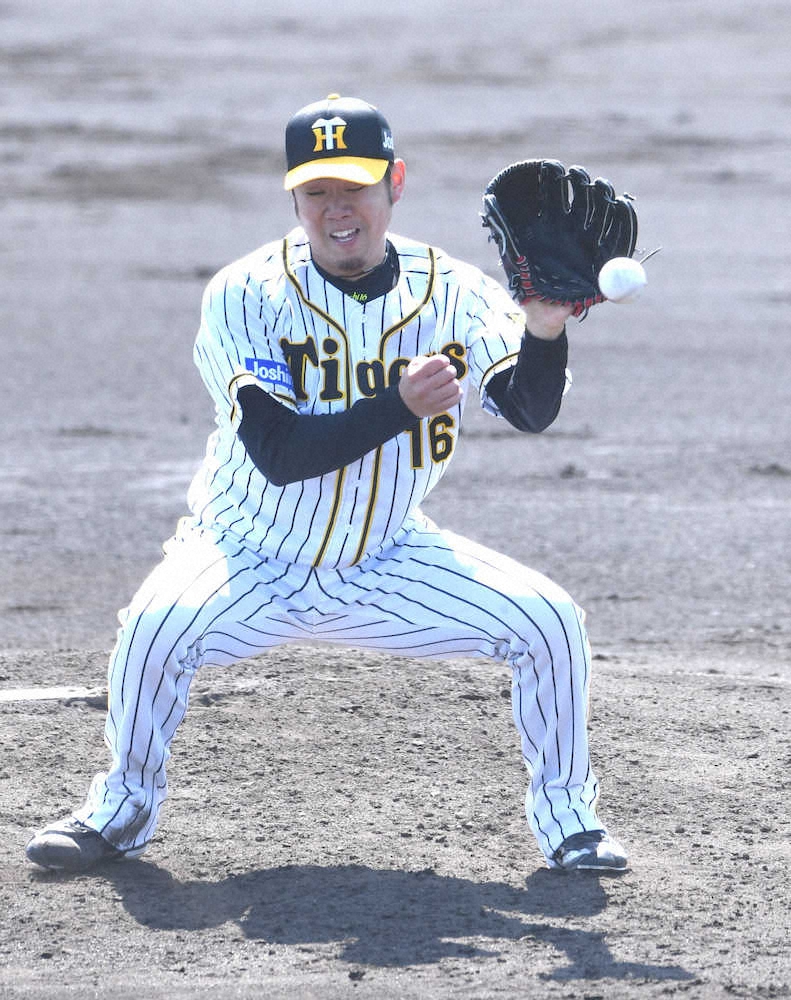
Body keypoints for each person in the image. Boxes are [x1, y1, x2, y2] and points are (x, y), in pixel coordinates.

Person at [26, 94, 627, 874]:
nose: (336, 208)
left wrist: (544, 330)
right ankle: (119, 811)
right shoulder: (247, 293)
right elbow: (280, 452)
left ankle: (570, 822)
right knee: (153, 629)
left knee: (549, 624)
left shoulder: (454, 289)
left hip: (385, 558)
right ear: (294, 199)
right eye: (315, 191)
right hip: (245, 554)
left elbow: (527, 409)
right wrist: (398, 405)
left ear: (394, 184)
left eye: (354, 187)